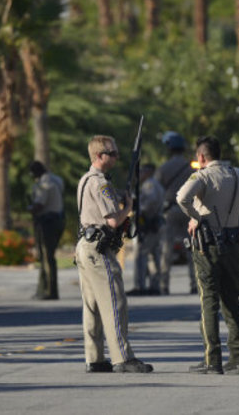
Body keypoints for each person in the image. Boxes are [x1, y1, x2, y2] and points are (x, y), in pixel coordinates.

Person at [176, 136, 239, 375]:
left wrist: (196, 217)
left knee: (209, 302)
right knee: (233, 303)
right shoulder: (238, 175)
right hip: (233, 246)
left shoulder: (202, 176)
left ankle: (212, 359)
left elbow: (181, 197)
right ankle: (238, 358)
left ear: (201, 157)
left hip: (207, 246)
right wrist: (237, 224)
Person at [75, 135, 153, 373]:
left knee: (93, 306)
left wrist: (121, 195)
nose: (117, 157)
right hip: (99, 248)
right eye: (113, 153)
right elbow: (112, 221)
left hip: (86, 245)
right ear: (100, 156)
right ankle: (122, 358)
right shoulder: (101, 183)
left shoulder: (87, 179)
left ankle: (95, 358)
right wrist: (128, 208)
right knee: (114, 301)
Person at [155, 131, 197, 295]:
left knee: (166, 249)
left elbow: (158, 190)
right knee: (192, 249)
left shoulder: (164, 168)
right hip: (189, 210)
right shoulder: (190, 168)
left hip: (170, 209)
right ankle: (194, 284)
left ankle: (164, 284)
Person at [29, 161, 65, 300]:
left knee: (46, 257)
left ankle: (50, 291)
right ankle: (44, 289)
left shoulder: (44, 185)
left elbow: (39, 204)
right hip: (58, 219)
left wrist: (30, 209)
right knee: (48, 256)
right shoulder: (57, 180)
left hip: (47, 222)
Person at [127, 163, 165, 296]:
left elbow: (150, 202)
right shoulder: (155, 184)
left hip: (148, 223)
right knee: (154, 255)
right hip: (155, 223)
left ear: (148, 172)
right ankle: (155, 285)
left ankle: (140, 286)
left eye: (142, 171)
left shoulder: (149, 185)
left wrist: (139, 210)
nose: (140, 174)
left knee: (141, 255)